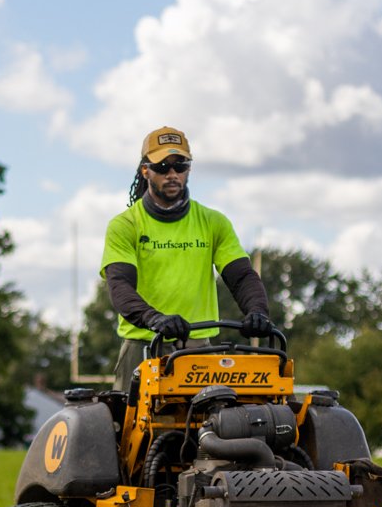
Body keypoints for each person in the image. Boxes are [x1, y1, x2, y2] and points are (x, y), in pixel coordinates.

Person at [99, 126, 273, 390]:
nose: (172, 174)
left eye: (180, 165)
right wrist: (154, 318)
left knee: (216, 424)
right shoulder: (126, 225)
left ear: (189, 169)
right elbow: (120, 285)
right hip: (143, 346)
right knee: (126, 427)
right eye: (162, 167)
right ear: (146, 170)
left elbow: (241, 276)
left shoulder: (214, 222)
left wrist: (257, 310)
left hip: (199, 349)